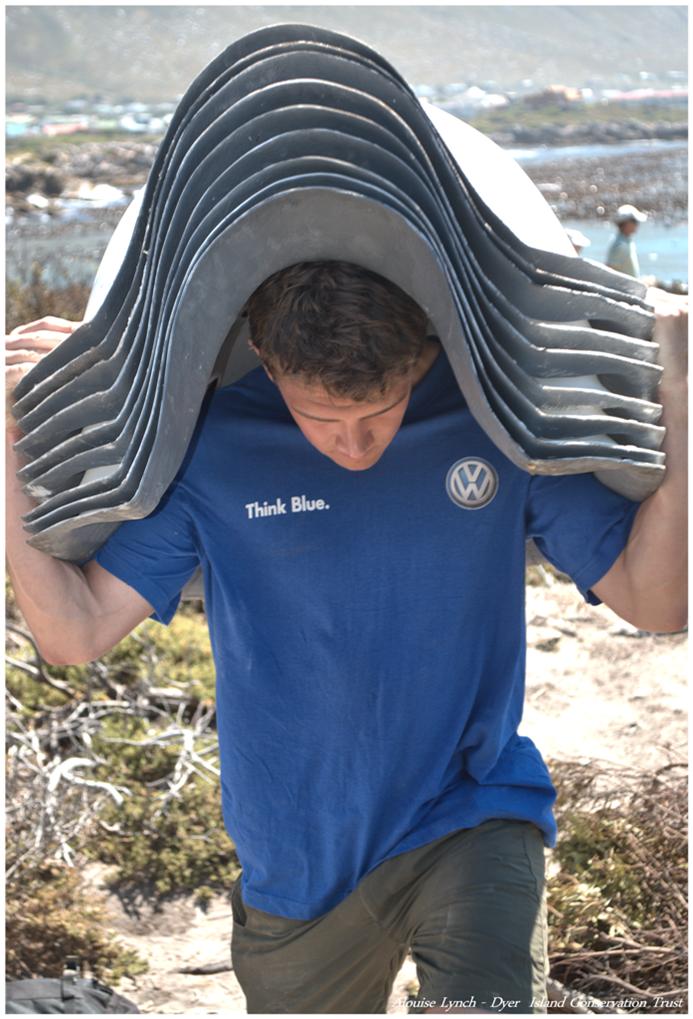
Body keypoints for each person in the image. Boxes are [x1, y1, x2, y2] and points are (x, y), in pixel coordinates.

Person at [5, 262, 688, 1015]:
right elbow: (74, 631)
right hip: (296, 858)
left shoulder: (494, 422)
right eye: (321, 417)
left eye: (382, 410)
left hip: (470, 809)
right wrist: (8, 436)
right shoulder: (209, 448)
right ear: (265, 360)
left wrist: (681, 393)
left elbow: (656, 602)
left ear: (421, 351)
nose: (356, 446)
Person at [605, 203, 648, 278]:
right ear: (625, 223)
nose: (637, 225)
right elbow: (609, 271)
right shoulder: (620, 245)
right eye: (634, 221)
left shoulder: (625, 241)